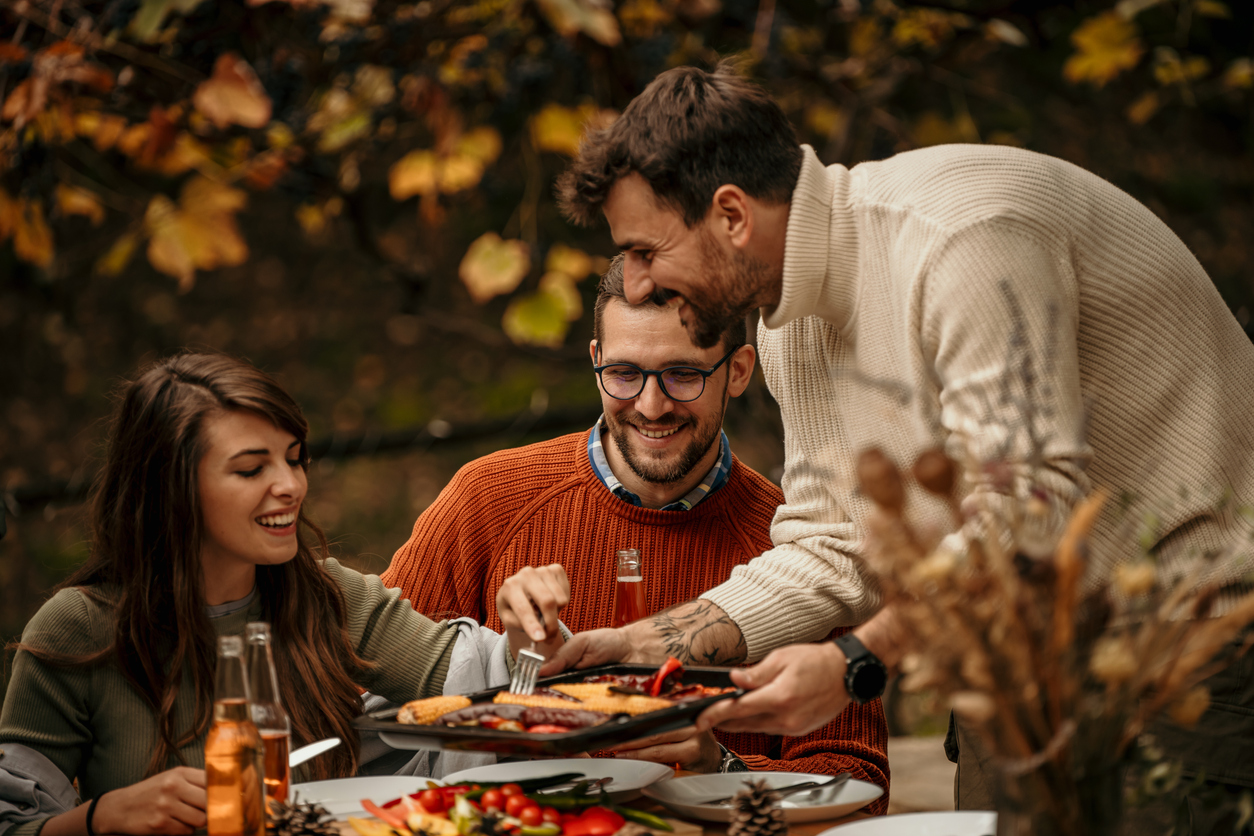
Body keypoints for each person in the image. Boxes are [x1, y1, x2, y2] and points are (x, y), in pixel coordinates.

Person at [544, 62, 1254, 829]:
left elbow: (1030, 507)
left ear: (732, 215)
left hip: (1192, 639)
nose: (639, 284)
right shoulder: (785, 318)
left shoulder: (964, 237)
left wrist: (856, 661)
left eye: (646, 251)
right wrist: (651, 644)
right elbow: (834, 543)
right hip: (1017, 659)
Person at [380, 256, 889, 804]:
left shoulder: (803, 547)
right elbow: (367, 698)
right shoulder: (488, 499)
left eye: (683, 374)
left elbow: (859, 785)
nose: (652, 406)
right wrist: (505, 667)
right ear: (595, 360)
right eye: (624, 374)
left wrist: (716, 767)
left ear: (738, 370)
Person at [0, 352, 570, 836]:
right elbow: (14, 819)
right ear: (171, 487)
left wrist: (525, 636)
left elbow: (482, 688)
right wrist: (101, 817)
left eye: (295, 459)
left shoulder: (323, 595)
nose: (291, 485)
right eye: (252, 469)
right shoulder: (78, 627)